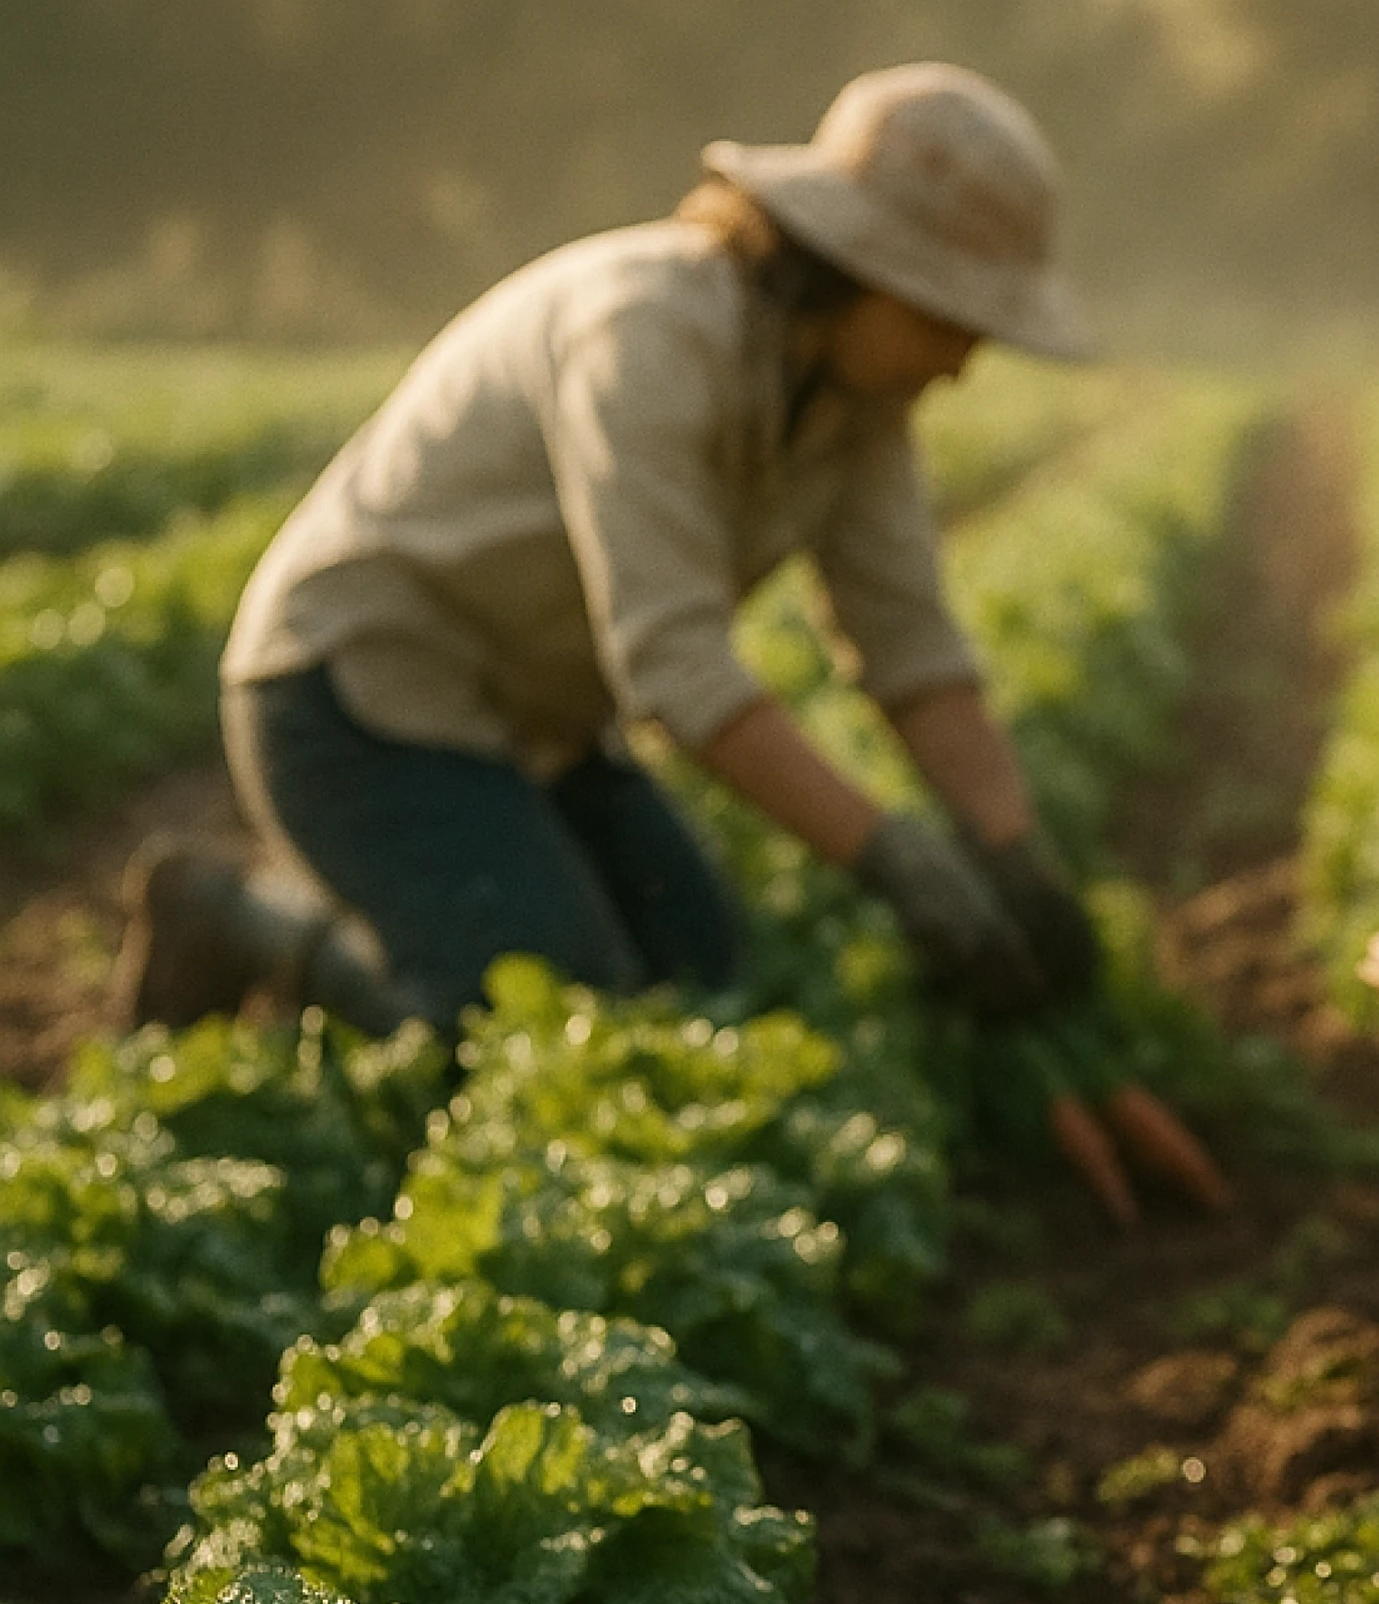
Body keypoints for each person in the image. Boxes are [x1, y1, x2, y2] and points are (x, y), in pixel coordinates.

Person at [112, 61, 1100, 1033]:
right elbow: (672, 663)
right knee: (543, 1020)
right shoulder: (648, 334)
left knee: (703, 986)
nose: (963, 361)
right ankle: (243, 923)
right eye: (947, 319)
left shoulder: (861, 404)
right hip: (352, 695)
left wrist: (1010, 857)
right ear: (857, 269)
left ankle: (423, 914)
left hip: (535, 723)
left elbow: (910, 644)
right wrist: (892, 858)